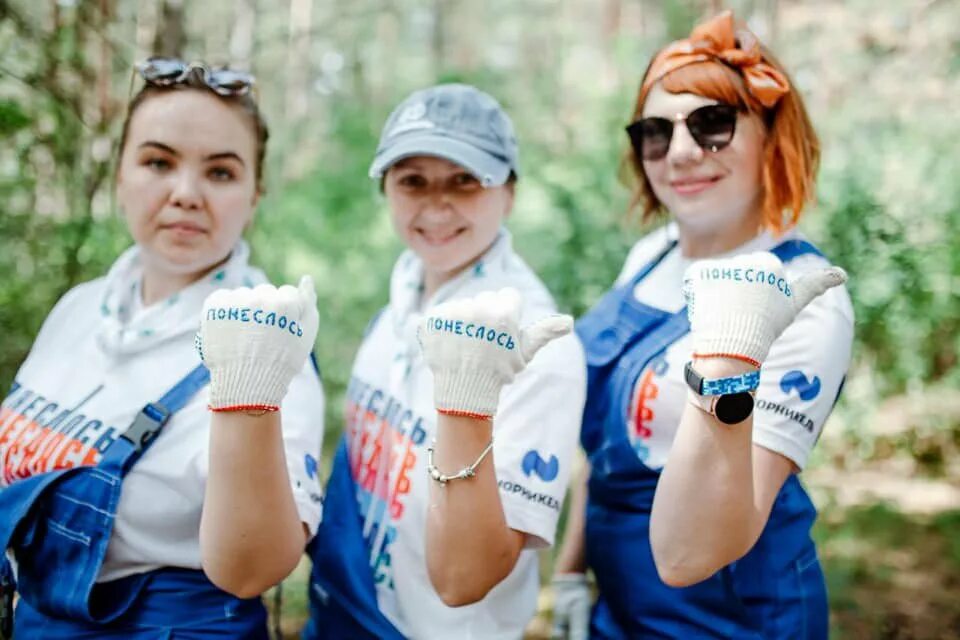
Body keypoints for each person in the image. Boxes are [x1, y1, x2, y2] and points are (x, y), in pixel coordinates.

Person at [550, 11, 854, 639]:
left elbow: (711, 540)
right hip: (621, 610)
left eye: (712, 124)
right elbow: (604, 447)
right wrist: (571, 572)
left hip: (735, 617)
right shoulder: (650, 256)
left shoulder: (805, 295)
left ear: (771, 135)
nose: (682, 152)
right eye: (656, 132)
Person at [0, 58, 325, 638]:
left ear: (254, 196)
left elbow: (257, 567)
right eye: (158, 162)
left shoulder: (271, 341)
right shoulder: (81, 307)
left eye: (221, 173)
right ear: (121, 174)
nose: (185, 194)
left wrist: (247, 386)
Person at [303, 83, 587, 639]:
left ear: (509, 192)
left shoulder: (537, 346)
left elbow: (466, 580)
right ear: (385, 189)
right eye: (413, 181)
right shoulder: (395, 309)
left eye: (465, 180)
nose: (436, 205)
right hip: (340, 618)